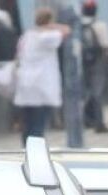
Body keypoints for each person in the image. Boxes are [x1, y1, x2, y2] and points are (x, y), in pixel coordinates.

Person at [13, 8, 70, 145]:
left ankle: (25, 149)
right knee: (38, 125)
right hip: (41, 86)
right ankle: (35, 153)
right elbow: (67, 30)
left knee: (27, 123)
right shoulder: (46, 36)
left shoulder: (26, 36)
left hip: (25, 84)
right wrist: (51, 25)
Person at [80, 0, 108, 134]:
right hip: (97, 61)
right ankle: (99, 123)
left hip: (81, 62)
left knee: (84, 92)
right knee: (97, 92)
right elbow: (107, 46)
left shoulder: (79, 25)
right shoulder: (101, 25)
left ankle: (85, 119)